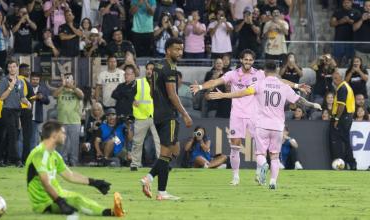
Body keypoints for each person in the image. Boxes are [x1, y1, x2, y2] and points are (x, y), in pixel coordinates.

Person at [191, 49, 310, 186]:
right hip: (237, 114)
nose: (248, 62)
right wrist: (200, 86)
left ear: (253, 61)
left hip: (255, 114)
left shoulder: (259, 74)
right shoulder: (233, 74)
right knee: (235, 145)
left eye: (250, 60)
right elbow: (215, 81)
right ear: (241, 60)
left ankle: (260, 174)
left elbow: (278, 80)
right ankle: (235, 177)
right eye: (245, 59)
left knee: (260, 147)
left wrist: (296, 85)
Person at [25, 120, 124, 217]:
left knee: (80, 197)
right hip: (45, 203)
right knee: (77, 200)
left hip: (57, 196)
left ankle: (112, 211)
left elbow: (70, 176)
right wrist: (60, 202)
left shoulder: (54, 155)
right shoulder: (40, 154)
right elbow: (46, 183)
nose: (65, 135)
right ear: (54, 135)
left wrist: (94, 182)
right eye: (62, 132)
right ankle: (110, 212)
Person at [140, 38, 193, 200]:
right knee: (165, 154)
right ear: (168, 50)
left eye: (181, 49)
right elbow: (172, 94)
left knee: (174, 150)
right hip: (168, 115)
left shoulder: (157, 66)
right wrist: (185, 114)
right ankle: (159, 190)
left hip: (158, 114)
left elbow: (151, 92)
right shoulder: (170, 69)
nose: (180, 52)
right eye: (176, 49)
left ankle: (150, 179)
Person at [0, 60, 32, 167]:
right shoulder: (3, 81)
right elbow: (2, 97)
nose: (12, 69)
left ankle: (1, 159)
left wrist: (27, 102)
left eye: (14, 67)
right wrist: (10, 87)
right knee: (12, 134)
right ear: (7, 69)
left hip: (17, 111)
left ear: (17, 68)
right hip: (7, 110)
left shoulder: (21, 82)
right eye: (10, 67)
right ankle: (17, 160)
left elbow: (21, 97)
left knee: (11, 135)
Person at [130, 61, 161, 171]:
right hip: (141, 116)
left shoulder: (160, 83)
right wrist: (133, 100)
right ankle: (135, 163)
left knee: (159, 141)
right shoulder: (139, 82)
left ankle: (162, 164)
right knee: (137, 142)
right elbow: (129, 93)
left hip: (157, 116)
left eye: (152, 69)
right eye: (148, 69)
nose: (149, 71)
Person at [53, 73, 84, 166]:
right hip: (62, 121)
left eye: (69, 79)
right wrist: (63, 86)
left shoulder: (76, 91)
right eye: (66, 79)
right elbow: (54, 95)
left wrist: (72, 87)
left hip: (74, 121)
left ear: (73, 81)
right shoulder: (60, 91)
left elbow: (81, 95)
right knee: (61, 144)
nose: (67, 81)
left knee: (74, 144)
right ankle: (62, 162)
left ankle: (74, 161)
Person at [330, 71, 357, 170]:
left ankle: (349, 162)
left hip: (343, 117)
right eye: (333, 79)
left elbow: (341, 105)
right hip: (347, 116)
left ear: (341, 78)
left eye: (336, 78)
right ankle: (350, 163)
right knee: (345, 141)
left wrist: (337, 118)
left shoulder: (342, 88)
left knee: (342, 142)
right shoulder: (346, 85)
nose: (334, 81)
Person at [330, 0, 360, 65]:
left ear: (351, 3)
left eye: (348, 2)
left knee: (351, 59)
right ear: (342, 3)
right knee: (337, 59)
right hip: (339, 40)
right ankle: (336, 72)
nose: (346, 4)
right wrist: (341, 21)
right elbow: (331, 24)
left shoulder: (356, 12)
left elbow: (358, 24)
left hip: (351, 40)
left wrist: (349, 21)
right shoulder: (337, 11)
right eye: (344, 3)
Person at [18, 63, 35, 163]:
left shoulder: (12, 80)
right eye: (27, 70)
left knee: (13, 136)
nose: (28, 72)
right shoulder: (26, 82)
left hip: (13, 110)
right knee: (26, 136)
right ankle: (25, 159)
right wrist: (30, 109)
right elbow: (32, 98)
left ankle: (12, 159)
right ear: (21, 71)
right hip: (25, 110)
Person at [30, 72, 51, 149]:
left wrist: (41, 97)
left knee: (34, 138)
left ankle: (32, 157)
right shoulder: (26, 87)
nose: (35, 81)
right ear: (30, 79)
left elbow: (47, 101)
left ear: (39, 80)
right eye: (33, 79)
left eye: (37, 79)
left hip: (36, 117)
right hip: (25, 117)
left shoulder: (42, 89)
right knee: (25, 138)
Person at [353, 1, 370, 65]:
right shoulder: (358, 15)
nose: (368, 7)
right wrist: (362, 19)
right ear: (364, 7)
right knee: (362, 68)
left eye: (369, 6)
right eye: (366, 6)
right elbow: (354, 28)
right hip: (360, 49)